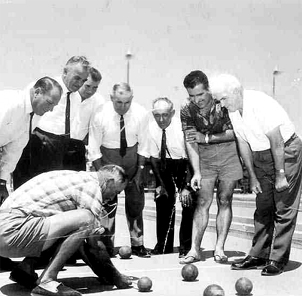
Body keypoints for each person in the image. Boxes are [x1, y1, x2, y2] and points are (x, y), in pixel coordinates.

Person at [210, 73, 302, 276]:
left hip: (284, 152)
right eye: (218, 101)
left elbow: (277, 141)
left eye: (223, 99)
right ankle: (258, 255)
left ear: (236, 92)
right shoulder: (234, 111)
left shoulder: (260, 103)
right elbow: (243, 143)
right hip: (260, 155)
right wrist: (251, 176)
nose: (221, 105)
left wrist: (280, 174)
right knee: (263, 206)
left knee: (283, 207)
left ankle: (277, 258)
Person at [0, 165, 132, 296]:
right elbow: (93, 245)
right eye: (115, 192)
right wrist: (116, 277)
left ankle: (25, 270)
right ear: (108, 182)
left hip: (7, 231)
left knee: (68, 227)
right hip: (13, 230)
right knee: (86, 218)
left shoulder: (76, 178)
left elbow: (75, 238)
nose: (112, 198)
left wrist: (105, 274)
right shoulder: (92, 187)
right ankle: (47, 280)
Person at [179, 70, 243, 264]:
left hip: (229, 153)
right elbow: (191, 141)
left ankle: (220, 248)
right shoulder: (186, 110)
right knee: (203, 201)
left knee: (225, 199)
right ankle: (194, 249)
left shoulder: (222, 101)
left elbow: (236, 133)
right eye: (192, 96)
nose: (197, 100)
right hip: (204, 156)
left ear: (208, 89)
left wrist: (206, 138)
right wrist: (196, 171)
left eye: (200, 94)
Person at [0, 77, 62, 270]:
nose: (51, 109)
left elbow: (15, 148)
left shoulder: (33, 115)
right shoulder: (10, 103)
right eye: (49, 102)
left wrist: (2, 181)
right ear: (37, 92)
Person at [88, 82, 150, 257]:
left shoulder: (141, 113)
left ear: (132, 99)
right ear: (111, 98)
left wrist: (139, 172)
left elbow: (144, 145)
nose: (123, 107)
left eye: (127, 102)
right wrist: (104, 177)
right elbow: (93, 148)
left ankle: (138, 244)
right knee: (107, 205)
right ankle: (106, 245)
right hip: (108, 160)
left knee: (136, 203)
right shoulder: (99, 114)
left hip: (132, 160)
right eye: (119, 102)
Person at [138, 97, 196, 257]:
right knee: (163, 200)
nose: (161, 120)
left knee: (188, 203)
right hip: (164, 164)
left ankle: (185, 247)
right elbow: (155, 159)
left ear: (172, 113)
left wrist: (186, 187)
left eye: (165, 115)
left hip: (186, 164)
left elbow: (192, 158)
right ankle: (163, 245)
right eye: (157, 115)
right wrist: (161, 184)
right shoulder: (150, 129)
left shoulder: (182, 127)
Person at [28, 56, 90, 178]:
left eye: (83, 80)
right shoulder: (47, 87)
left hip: (63, 146)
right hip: (40, 143)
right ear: (65, 72)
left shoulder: (76, 97)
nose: (79, 84)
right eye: (77, 78)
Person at [65, 67, 106, 171]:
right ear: (81, 82)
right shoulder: (68, 94)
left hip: (77, 147)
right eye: (87, 86)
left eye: (95, 88)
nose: (90, 91)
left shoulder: (98, 101)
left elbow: (94, 133)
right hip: (58, 144)